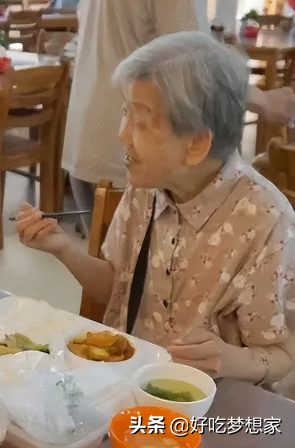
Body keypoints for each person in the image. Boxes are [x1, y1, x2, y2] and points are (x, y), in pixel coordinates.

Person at [17, 32, 295, 384]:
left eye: (142, 123)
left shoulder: (267, 221)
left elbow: (282, 355)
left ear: (195, 144)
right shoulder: (145, 186)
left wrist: (229, 359)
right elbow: (120, 288)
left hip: (210, 409)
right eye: (125, 114)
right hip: (127, 387)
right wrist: (62, 247)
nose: (123, 134)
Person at [62, 0, 295, 235]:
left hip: (88, 133)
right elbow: (199, 66)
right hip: (132, 152)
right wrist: (265, 102)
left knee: (122, 264)